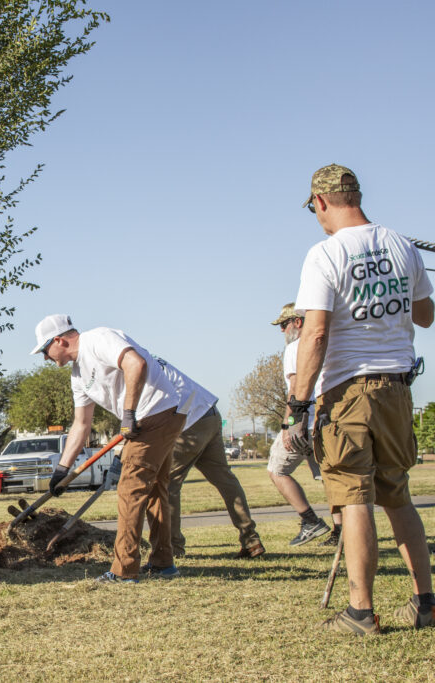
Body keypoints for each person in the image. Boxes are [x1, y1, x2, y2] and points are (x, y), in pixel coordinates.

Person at [291, 163, 434, 634]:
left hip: (349, 390)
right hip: (397, 386)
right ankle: (426, 603)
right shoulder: (401, 244)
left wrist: (298, 402)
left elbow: (314, 334)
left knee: (353, 496)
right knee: (397, 494)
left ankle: (360, 613)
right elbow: (426, 316)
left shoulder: (323, 254)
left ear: (321, 202)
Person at [35, 314, 185, 583]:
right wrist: (62, 470)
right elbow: (81, 424)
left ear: (59, 340)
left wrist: (128, 414)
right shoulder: (77, 375)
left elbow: (135, 363)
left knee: (130, 490)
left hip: (156, 412)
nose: (46, 357)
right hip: (152, 417)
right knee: (154, 490)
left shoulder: (97, 339)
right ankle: (163, 563)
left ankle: (124, 570)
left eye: (46, 350)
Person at [148, 357, 264, 559]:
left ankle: (173, 548)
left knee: (166, 484)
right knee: (224, 479)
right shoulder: (151, 360)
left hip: (189, 420)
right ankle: (251, 540)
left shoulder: (139, 367)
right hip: (209, 414)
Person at [269, 303, 340, 547]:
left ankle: (310, 521)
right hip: (327, 418)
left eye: (283, 324)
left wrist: (289, 423)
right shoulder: (331, 342)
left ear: (298, 323)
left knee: (277, 470)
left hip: (304, 421)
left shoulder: (295, 347)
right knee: (331, 476)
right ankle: (340, 531)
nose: (282, 331)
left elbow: (295, 387)